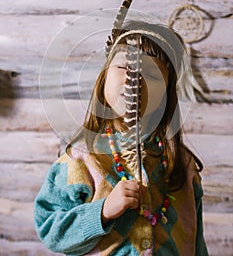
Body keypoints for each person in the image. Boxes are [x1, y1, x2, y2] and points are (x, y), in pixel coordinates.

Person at [34, 18, 209, 255]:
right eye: (125, 67)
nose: (135, 79)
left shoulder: (181, 165)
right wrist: (103, 211)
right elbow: (50, 229)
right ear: (104, 76)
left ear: (167, 95)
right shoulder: (81, 159)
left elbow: (197, 241)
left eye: (153, 75)